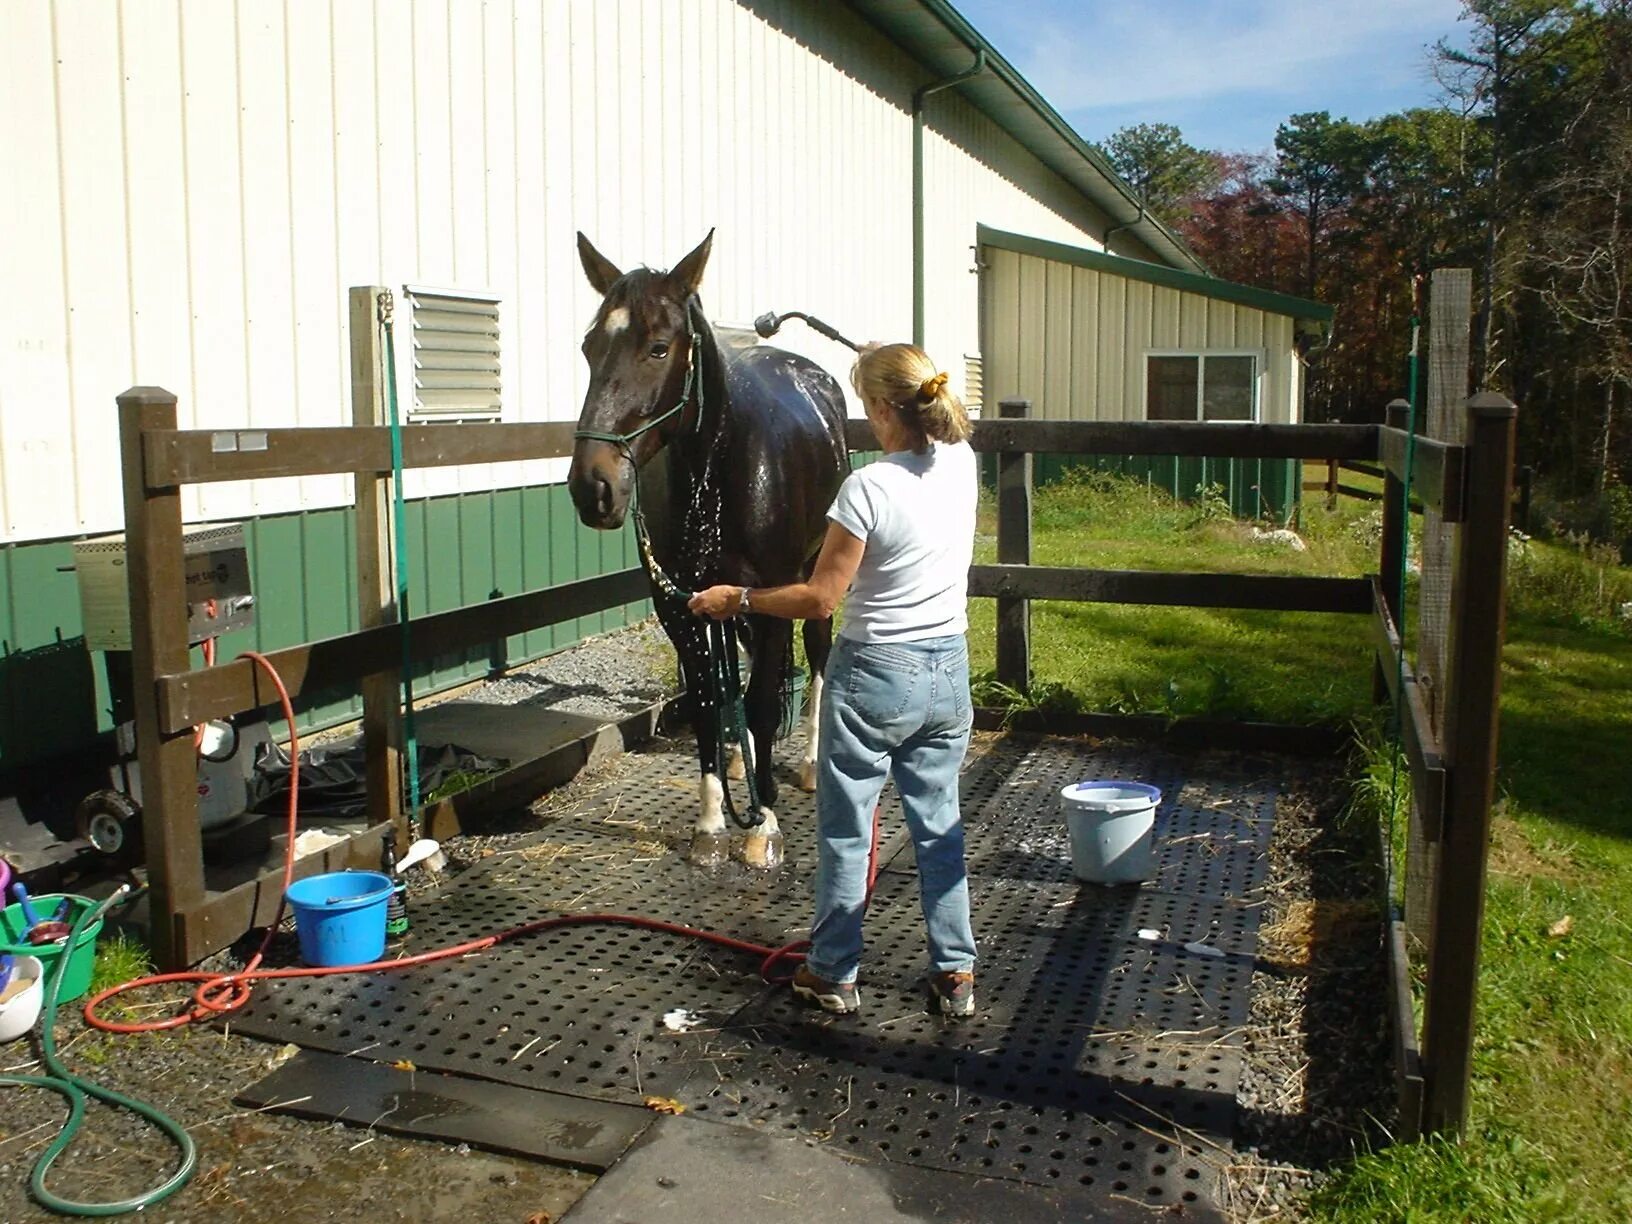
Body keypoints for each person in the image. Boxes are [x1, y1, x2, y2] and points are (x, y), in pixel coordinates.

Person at [689, 342, 978, 1017]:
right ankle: (955, 972)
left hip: (877, 672)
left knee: (849, 829)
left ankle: (833, 972)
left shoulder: (869, 488)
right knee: (939, 826)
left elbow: (821, 599)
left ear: (882, 410)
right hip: (949, 669)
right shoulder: (964, 463)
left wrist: (742, 599)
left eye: (867, 406)